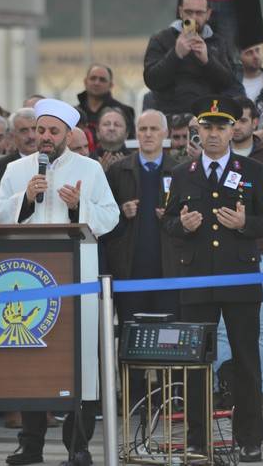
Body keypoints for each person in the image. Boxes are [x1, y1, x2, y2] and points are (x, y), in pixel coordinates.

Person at [0, 98, 119, 466]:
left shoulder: (90, 170)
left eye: (52, 132)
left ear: (67, 134)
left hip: (76, 279)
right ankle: (30, 445)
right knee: (32, 360)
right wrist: (24, 199)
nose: (43, 137)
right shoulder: (16, 169)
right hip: (27, 279)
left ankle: (78, 446)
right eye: (39, 130)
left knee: (80, 364)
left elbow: (110, 219)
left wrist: (79, 207)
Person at [162, 96, 263, 462]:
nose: (213, 134)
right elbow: (167, 222)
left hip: (240, 276)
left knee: (245, 361)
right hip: (196, 277)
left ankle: (249, 438)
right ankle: (197, 438)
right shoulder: (183, 173)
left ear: (234, 130)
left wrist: (246, 225)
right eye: (207, 127)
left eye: (221, 126)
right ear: (197, 130)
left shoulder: (253, 170)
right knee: (197, 363)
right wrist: (181, 225)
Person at [213, 97, 263, 417]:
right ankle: (223, 388)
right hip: (217, 253)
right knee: (219, 327)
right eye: (234, 121)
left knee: (258, 326)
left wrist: (249, 227)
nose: (239, 126)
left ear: (253, 123)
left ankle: (259, 390)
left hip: (258, 251)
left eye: (244, 120)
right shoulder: (213, 158)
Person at [104, 109, 180, 402]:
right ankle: (133, 398)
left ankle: (169, 396)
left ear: (165, 134)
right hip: (130, 269)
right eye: (142, 129)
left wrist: (172, 217)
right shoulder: (119, 170)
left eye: (153, 129)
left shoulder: (180, 170)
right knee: (131, 336)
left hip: (168, 269)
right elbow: (104, 221)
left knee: (168, 336)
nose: (147, 134)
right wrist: (122, 214)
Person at [144, 0, 241, 116]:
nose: (194, 17)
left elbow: (228, 83)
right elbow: (152, 80)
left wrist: (208, 61)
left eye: (199, 13)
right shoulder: (161, 39)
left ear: (208, 14)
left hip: (207, 115)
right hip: (170, 115)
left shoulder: (218, 42)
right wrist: (176, 54)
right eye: (188, 12)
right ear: (180, 12)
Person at [177, 0, 263, 58]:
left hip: (227, 6)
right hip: (197, 6)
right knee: (191, 43)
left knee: (230, 50)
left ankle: (232, 72)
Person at [0, 108, 38, 209]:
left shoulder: (55, 163)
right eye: (24, 131)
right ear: (12, 136)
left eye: (35, 129)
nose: (31, 136)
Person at [76, 63, 136, 138]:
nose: (97, 83)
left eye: (102, 80)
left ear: (111, 85)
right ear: (85, 81)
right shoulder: (75, 113)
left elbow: (131, 143)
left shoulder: (125, 112)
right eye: (93, 78)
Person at [90, 106, 131, 171]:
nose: (112, 128)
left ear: (126, 133)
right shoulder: (88, 161)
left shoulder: (135, 162)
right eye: (106, 124)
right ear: (97, 132)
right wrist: (99, 173)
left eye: (117, 125)